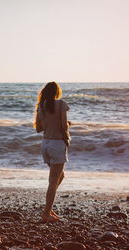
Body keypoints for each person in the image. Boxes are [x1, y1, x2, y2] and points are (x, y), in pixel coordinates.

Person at [34, 81, 71, 222]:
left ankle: (48, 208)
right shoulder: (61, 104)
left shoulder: (41, 106)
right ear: (57, 92)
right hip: (57, 144)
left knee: (59, 177)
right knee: (53, 180)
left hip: (46, 145)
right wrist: (68, 125)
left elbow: (38, 129)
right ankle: (46, 214)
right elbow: (63, 125)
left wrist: (50, 123)